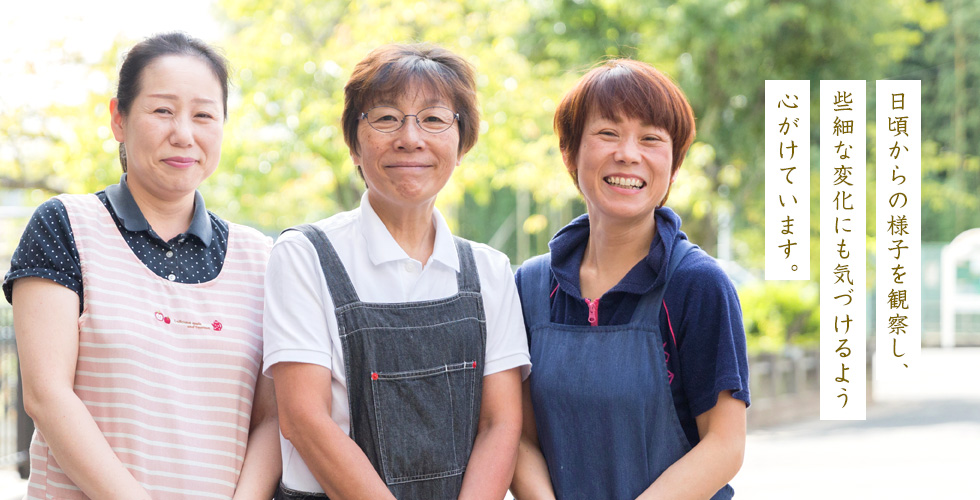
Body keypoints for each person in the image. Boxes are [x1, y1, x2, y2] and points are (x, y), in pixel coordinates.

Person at [3, 32, 281, 500]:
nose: (184, 134)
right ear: (119, 118)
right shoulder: (65, 226)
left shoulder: (262, 258)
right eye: (163, 110)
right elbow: (47, 397)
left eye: (204, 115)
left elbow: (274, 417)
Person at [262, 43, 530, 500]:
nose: (410, 137)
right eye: (386, 118)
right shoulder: (304, 255)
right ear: (354, 144)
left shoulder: (490, 270)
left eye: (434, 119)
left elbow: (500, 423)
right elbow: (304, 419)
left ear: (461, 143)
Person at [509, 60, 750, 500]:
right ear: (569, 153)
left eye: (651, 138)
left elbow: (724, 444)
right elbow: (519, 437)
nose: (628, 153)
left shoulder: (697, 285)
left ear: (674, 165)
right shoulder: (528, 288)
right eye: (607, 133)